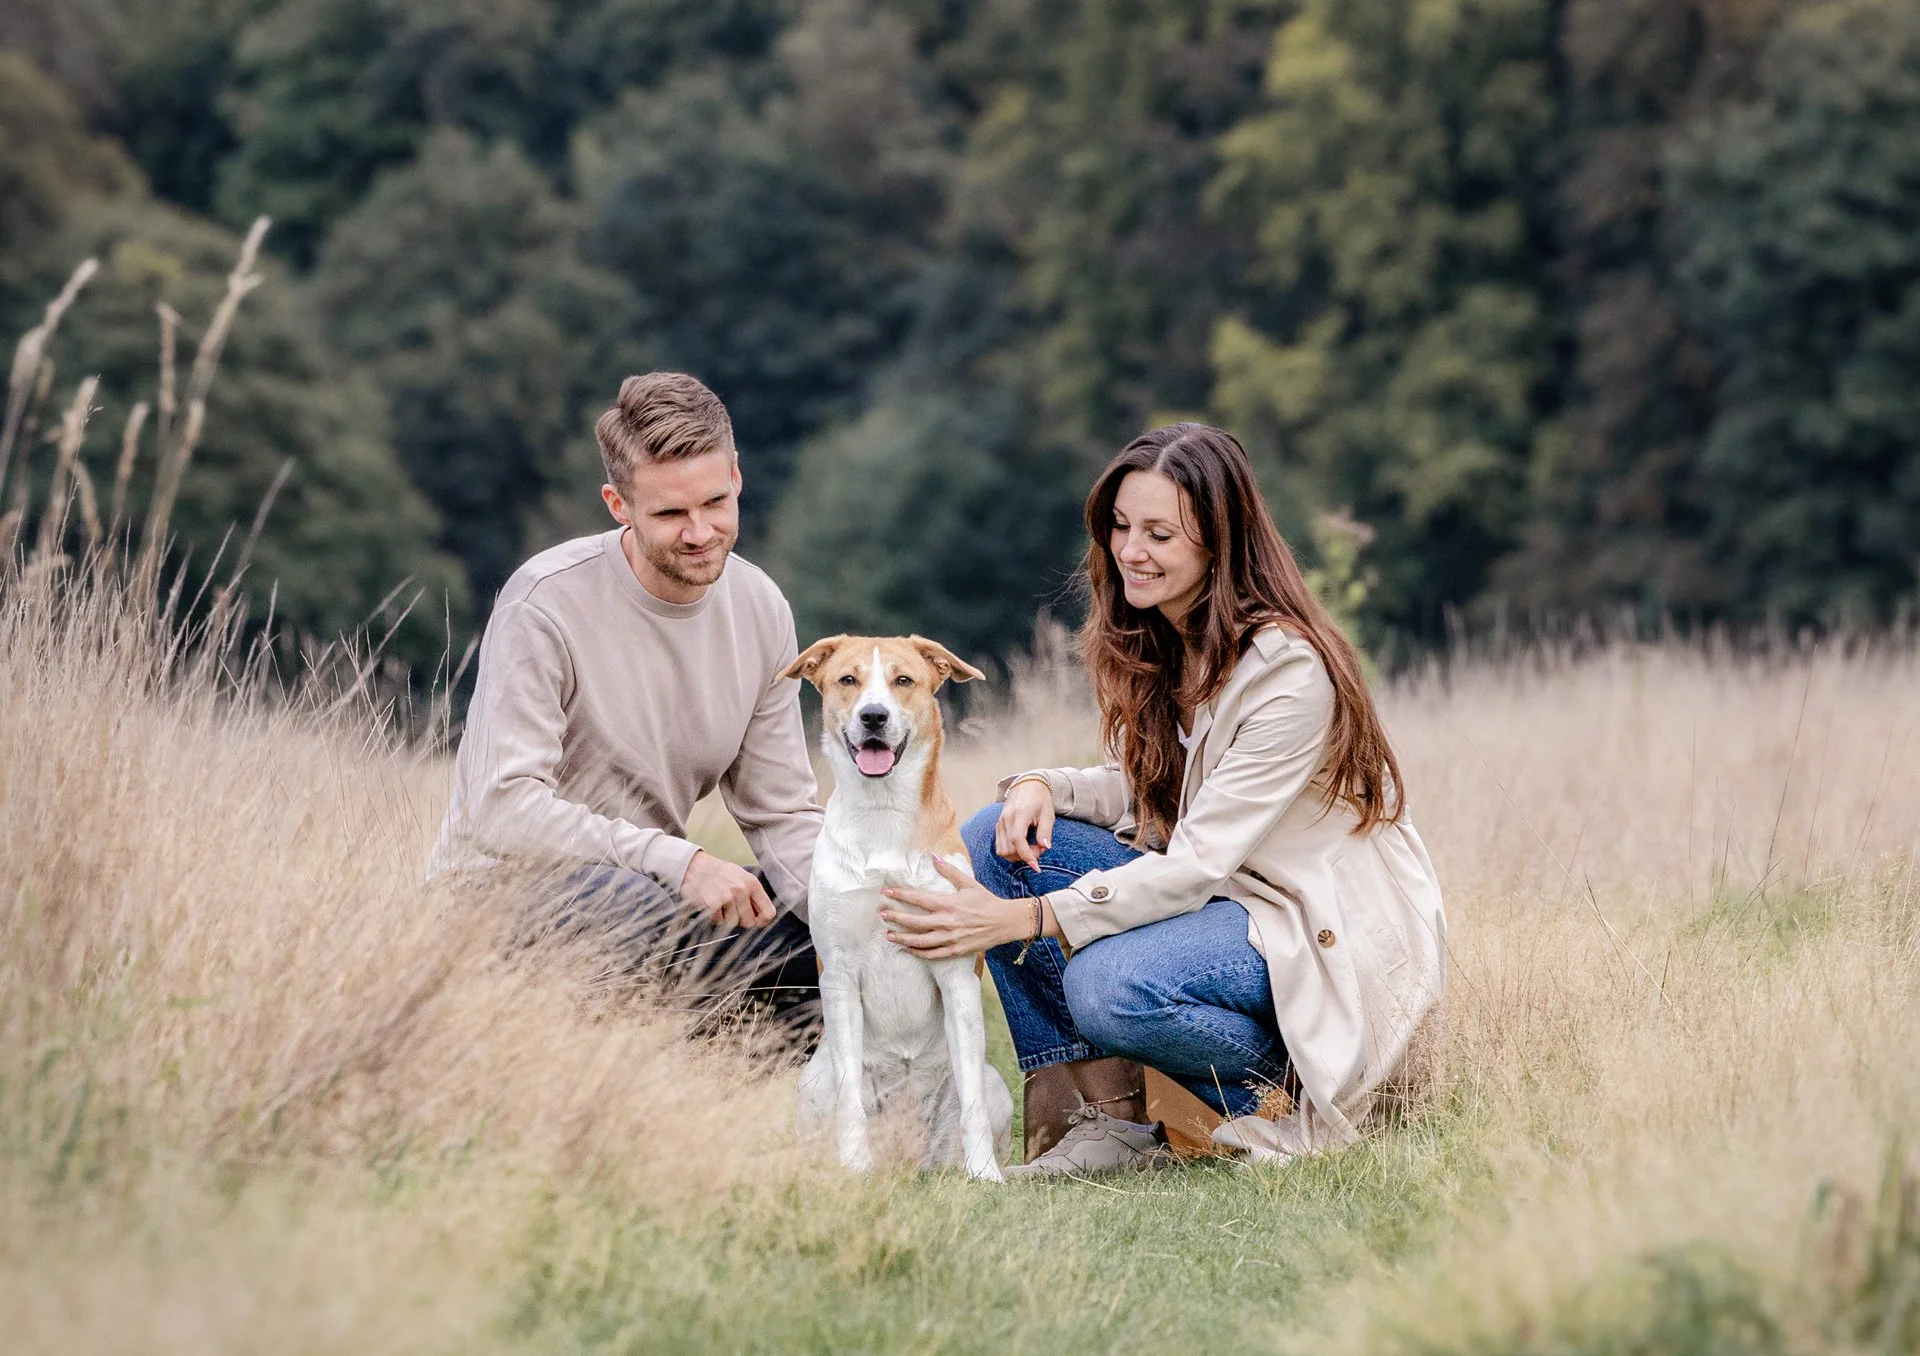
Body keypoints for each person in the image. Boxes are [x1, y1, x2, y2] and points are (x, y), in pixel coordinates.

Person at [880, 423, 1446, 1174]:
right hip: (1230, 900)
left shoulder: (1289, 672)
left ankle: (1287, 1088)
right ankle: (1105, 1120)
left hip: (1307, 927)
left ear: (1219, 544)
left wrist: (1028, 919)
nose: (1130, 551)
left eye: (1159, 534)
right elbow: (1156, 785)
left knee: (1107, 986)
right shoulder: (1172, 637)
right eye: (1120, 527)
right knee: (994, 837)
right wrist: (1044, 786)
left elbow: (1197, 859)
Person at [429, 371, 824, 1023]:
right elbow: (501, 811)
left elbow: (783, 815)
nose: (700, 532)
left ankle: (719, 1056)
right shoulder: (544, 602)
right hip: (504, 897)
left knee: (830, 937)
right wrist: (679, 862)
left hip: (658, 893)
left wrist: (858, 914)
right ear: (619, 505)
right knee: (636, 913)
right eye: (670, 514)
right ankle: (653, 1043)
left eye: (715, 502)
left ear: (737, 478)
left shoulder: (760, 607)